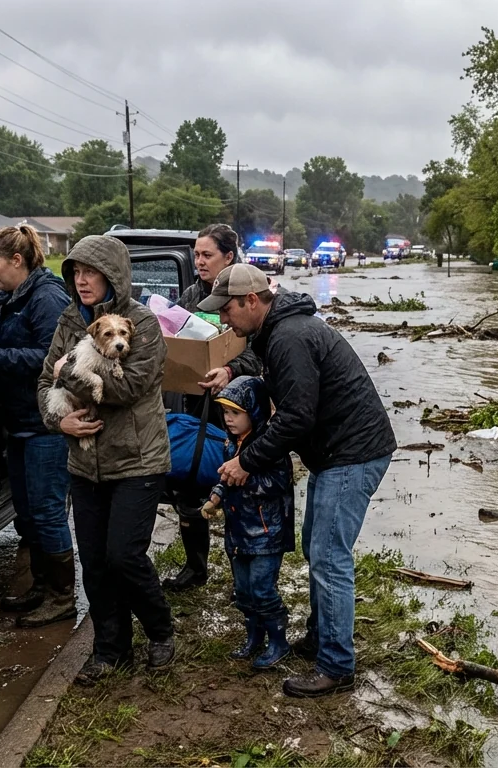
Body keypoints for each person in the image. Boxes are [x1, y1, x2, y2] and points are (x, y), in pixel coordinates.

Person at [201, 263, 397, 698]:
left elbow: (295, 417)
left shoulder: (289, 336)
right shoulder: (279, 329)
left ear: (252, 301)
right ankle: (322, 635)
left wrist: (246, 461)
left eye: (228, 310)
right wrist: (233, 372)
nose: (223, 319)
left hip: (352, 453)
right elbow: (271, 372)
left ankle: (336, 666)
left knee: (328, 557)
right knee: (317, 547)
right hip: (339, 451)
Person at [37, 235, 176, 684]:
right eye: (75, 273)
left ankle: (160, 630)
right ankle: (109, 649)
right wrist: (60, 424)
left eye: (90, 272)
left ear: (113, 275)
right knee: (94, 562)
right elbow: (45, 381)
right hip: (84, 459)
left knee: (123, 556)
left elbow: (126, 388)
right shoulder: (68, 321)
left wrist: (69, 377)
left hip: (137, 458)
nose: (81, 281)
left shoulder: (144, 324)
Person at [0, 224, 75, 628]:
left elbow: (54, 359)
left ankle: (63, 598)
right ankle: (42, 586)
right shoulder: (9, 296)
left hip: (45, 422)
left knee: (47, 512)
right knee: (27, 514)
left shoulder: (46, 297)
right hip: (19, 422)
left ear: (17, 260)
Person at [159, 223, 264, 592]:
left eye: (207, 255)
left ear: (229, 258)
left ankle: (247, 574)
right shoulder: (191, 294)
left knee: (237, 485)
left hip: (239, 406)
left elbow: (258, 353)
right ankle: (195, 567)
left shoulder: (247, 297)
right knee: (188, 484)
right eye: (196, 254)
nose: (198, 261)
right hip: (195, 402)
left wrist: (231, 369)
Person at [198, 376, 294, 669]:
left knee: (263, 589)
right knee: (243, 590)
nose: (228, 419)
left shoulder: (269, 446)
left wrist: (245, 476)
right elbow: (225, 478)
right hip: (238, 532)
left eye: (236, 412)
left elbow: (278, 482)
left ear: (254, 411)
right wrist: (215, 497)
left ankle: (278, 641)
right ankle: (254, 636)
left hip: (266, 532)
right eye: (225, 412)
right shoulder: (231, 444)